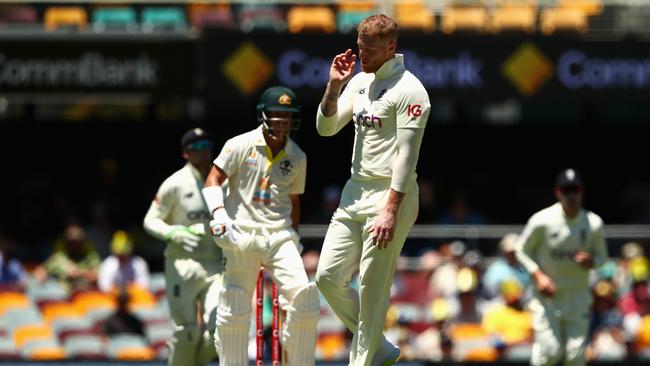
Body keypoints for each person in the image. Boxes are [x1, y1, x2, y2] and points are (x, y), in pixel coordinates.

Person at [313, 14, 431, 366]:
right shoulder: (359, 81)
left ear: (392, 47)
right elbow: (327, 128)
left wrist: (390, 210)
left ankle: (362, 361)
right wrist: (334, 86)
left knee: (372, 286)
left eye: (371, 49)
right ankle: (378, 347)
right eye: (360, 47)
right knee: (327, 277)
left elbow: (407, 157)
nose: (363, 54)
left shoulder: (411, 90)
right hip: (354, 194)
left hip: (391, 195)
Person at [201, 86, 319, 365]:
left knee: (306, 301)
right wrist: (219, 214)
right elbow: (212, 179)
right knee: (234, 307)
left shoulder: (297, 156)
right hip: (242, 233)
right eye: (276, 114)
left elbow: (294, 201)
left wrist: (296, 236)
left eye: (287, 115)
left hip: (280, 236)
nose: (282, 121)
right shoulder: (239, 144)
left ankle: (297, 360)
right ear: (263, 115)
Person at [143, 128, 222, 366]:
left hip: (215, 265)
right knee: (186, 333)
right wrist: (173, 232)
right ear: (185, 154)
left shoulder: (222, 182)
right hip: (181, 265)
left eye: (206, 145)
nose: (202, 151)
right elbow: (150, 220)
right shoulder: (175, 183)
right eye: (195, 147)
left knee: (221, 328)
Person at [516, 168, 609, 366]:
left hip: (578, 297)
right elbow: (521, 250)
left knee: (576, 356)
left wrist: (591, 262)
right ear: (558, 192)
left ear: (582, 191)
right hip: (548, 299)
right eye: (567, 190)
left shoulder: (593, 223)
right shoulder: (542, 221)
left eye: (575, 189)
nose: (571, 195)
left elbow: (602, 258)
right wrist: (538, 275)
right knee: (550, 353)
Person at [39, 223, 101, 295]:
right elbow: (41, 271)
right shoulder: (59, 257)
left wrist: (80, 273)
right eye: (71, 242)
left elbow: (99, 276)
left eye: (77, 242)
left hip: (85, 294)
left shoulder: (91, 256)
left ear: (83, 242)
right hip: (62, 296)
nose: (74, 245)